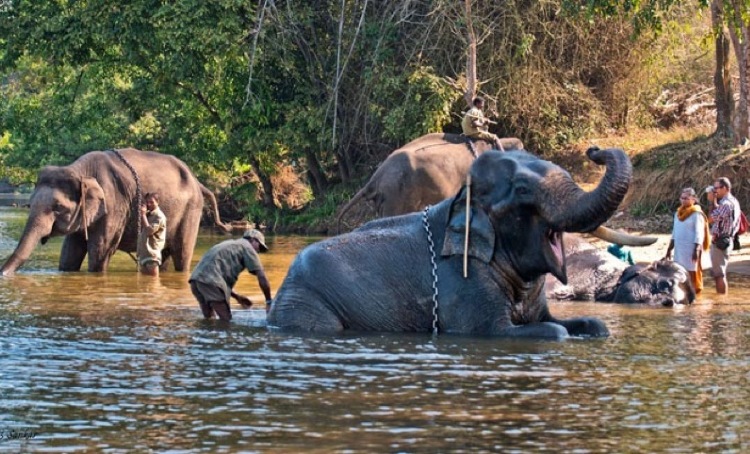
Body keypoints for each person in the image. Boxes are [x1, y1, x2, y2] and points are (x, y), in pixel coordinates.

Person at [189, 229, 272, 322]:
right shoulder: (247, 247)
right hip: (210, 282)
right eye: (259, 247)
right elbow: (262, 276)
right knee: (226, 322)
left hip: (195, 281)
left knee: (209, 320)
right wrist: (269, 302)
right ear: (253, 240)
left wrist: (237, 297)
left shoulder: (229, 244)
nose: (258, 251)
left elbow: (218, 275)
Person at [664, 188, 710, 294]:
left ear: (693, 199)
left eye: (686, 198)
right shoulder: (678, 213)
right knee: (679, 272)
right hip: (679, 249)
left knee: (692, 273)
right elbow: (675, 232)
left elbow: (699, 233)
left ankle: (695, 296)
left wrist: (697, 249)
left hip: (691, 249)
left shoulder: (697, 214)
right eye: (682, 198)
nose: (684, 200)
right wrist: (669, 249)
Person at [707, 177, 741, 294]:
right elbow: (721, 215)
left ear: (725, 188)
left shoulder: (726, 204)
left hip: (721, 241)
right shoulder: (733, 201)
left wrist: (712, 202)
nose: (714, 191)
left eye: (716, 188)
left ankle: (721, 303)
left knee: (719, 275)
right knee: (720, 273)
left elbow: (710, 219)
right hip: (727, 239)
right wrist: (716, 202)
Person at [136, 192, 167, 276]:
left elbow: (149, 231)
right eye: (148, 202)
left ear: (158, 202)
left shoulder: (159, 216)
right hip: (145, 253)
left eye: (152, 202)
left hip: (152, 254)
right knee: (145, 283)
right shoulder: (149, 215)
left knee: (153, 283)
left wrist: (143, 215)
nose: (149, 204)